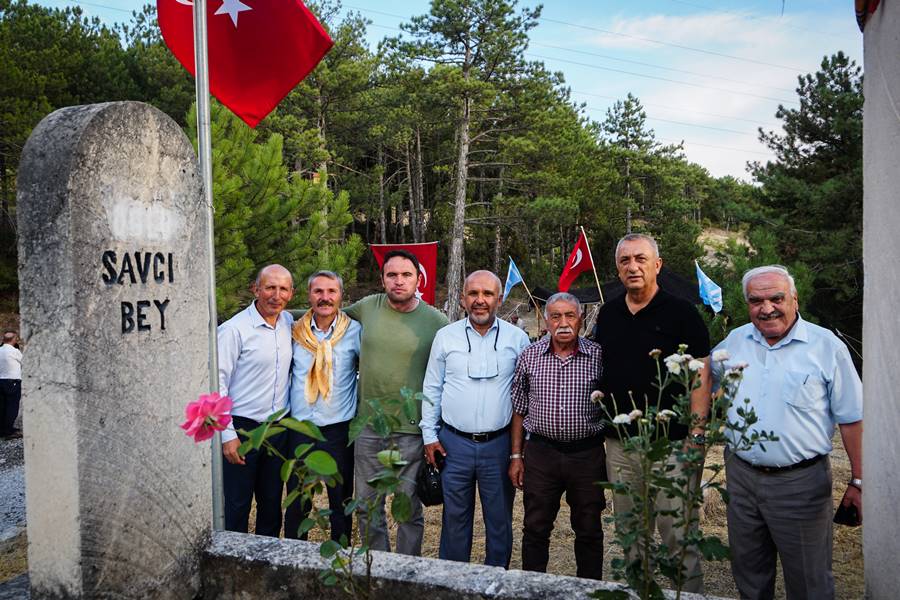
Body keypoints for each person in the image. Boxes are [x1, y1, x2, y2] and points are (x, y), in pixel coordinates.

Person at [710, 265, 862, 600]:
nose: (766, 308)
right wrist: (696, 425)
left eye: (776, 298)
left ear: (794, 298)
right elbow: (704, 375)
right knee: (749, 575)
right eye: (755, 301)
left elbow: (852, 418)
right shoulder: (735, 340)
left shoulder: (826, 347)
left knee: (809, 583)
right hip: (741, 479)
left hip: (801, 486)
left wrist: (859, 481)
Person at [592, 233, 710, 593]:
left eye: (641, 259)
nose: (633, 267)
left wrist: (697, 435)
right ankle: (639, 591)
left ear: (657, 265)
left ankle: (686, 594)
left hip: (671, 444)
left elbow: (701, 374)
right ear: (617, 268)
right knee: (630, 533)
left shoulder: (682, 313)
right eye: (625, 260)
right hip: (621, 444)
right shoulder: (608, 313)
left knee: (678, 534)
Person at [421, 270, 529, 568]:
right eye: (473, 294)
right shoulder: (445, 337)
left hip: (499, 445)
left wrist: (520, 449)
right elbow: (432, 387)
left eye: (488, 294)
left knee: (499, 523)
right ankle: (453, 585)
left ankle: (496, 583)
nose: (480, 301)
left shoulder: (518, 339)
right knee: (454, 522)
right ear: (462, 298)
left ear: (500, 298)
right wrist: (429, 435)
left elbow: (526, 395)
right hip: (453, 445)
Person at [344, 250, 449, 555]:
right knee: (366, 505)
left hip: (411, 430)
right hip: (368, 427)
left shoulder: (436, 322)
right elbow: (327, 314)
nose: (399, 281)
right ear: (382, 279)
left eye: (406, 275)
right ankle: (377, 567)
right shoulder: (368, 307)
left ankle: (407, 571)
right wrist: (280, 314)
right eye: (392, 275)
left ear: (419, 279)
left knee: (408, 510)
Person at [509, 292, 605, 580]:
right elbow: (519, 409)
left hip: (586, 455)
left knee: (589, 528)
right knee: (535, 527)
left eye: (570, 316)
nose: (563, 323)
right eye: (556, 316)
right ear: (546, 320)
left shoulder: (598, 356)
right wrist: (516, 455)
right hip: (541, 454)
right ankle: (533, 587)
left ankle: (588, 589)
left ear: (581, 319)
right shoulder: (530, 355)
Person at [217, 264, 294, 536]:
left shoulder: (288, 323)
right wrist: (227, 435)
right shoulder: (233, 330)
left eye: (283, 288)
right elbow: (218, 383)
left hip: (277, 429)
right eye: (270, 287)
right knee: (237, 505)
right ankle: (232, 567)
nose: (276, 295)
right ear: (255, 289)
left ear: (291, 293)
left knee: (272, 504)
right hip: (242, 428)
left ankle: (266, 566)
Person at [284, 270, 361, 543]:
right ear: (309, 295)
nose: (325, 298)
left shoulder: (354, 331)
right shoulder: (293, 331)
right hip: (300, 429)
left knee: (340, 499)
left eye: (331, 292)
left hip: (339, 431)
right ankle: (294, 558)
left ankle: (341, 558)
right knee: (297, 501)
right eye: (318, 291)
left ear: (341, 295)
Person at [0, 331, 23, 440]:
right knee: (12, 407)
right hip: (12, 382)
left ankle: (3, 429)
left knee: (2, 407)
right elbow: (25, 362)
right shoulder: (14, 352)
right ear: (14, 340)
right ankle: (8, 432)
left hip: (1, 381)